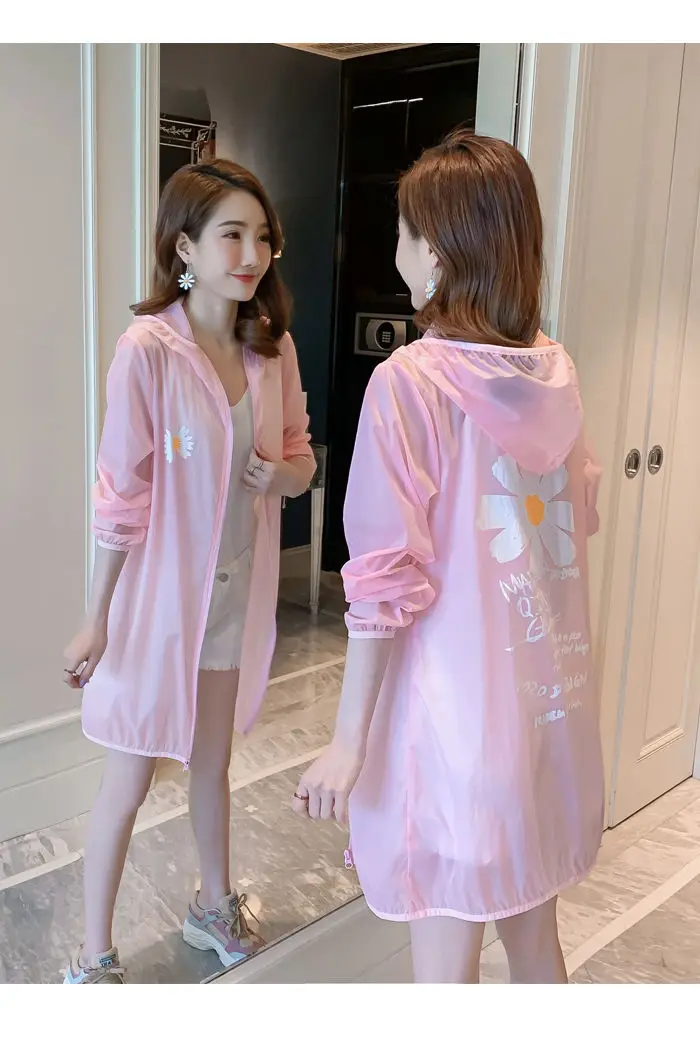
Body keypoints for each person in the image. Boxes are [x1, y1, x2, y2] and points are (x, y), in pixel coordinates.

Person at [293, 131, 604, 984]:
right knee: (535, 942)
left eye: (403, 230)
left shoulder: (411, 382)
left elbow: (382, 583)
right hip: (545, 711)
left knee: (444, 971)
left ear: (434, 250)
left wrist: (349, 741)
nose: (397, 249)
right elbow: (578, 520)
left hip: (450, 729)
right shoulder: (555, 371)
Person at [62, 159, 315, 984]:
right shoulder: (148, 351)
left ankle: (213, 904)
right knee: (129, 776)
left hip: (235, 600)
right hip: (157, 606)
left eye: (263, 237)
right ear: (185, 247)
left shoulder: (271, 349)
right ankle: (93, 956)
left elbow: (302, 457)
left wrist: (280, 476)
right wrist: (97, 616)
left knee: (213, 763)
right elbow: (119, 494)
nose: (252, 255)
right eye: (232, 235)